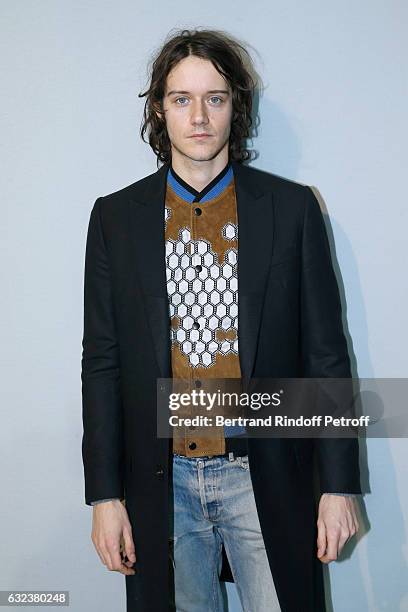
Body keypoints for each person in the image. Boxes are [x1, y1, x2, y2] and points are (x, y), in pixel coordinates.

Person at [81, 28, 361, 612]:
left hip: (265, 479)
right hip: (162, 482)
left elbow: (327, 356)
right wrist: (105, 495)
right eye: (182, 98)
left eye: (216, 97)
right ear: (160, 109)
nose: (200, 116)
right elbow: (102, 363)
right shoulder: (116, 219)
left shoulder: (293, 210)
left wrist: (338, 484)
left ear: (236, 107)